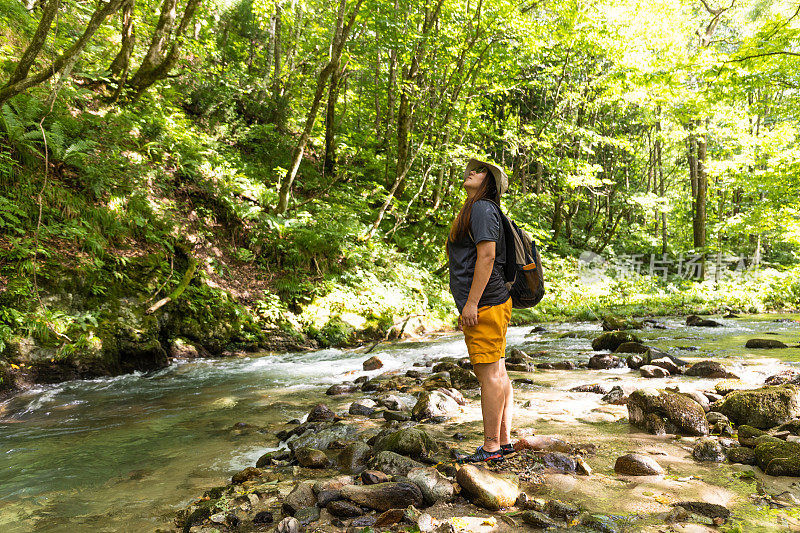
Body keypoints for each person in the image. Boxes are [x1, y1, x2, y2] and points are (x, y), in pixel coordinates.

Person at [447, 158, 514, 463]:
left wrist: (471, 303)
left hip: (485, 303)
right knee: (497, 373)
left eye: (479, 170)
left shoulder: (482, 208)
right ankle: (502, 442)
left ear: (489, 181)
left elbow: (487, 257)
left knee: (489, 375)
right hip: (492, 301)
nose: (470, 172)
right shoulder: (481, 209)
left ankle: (491, 449)